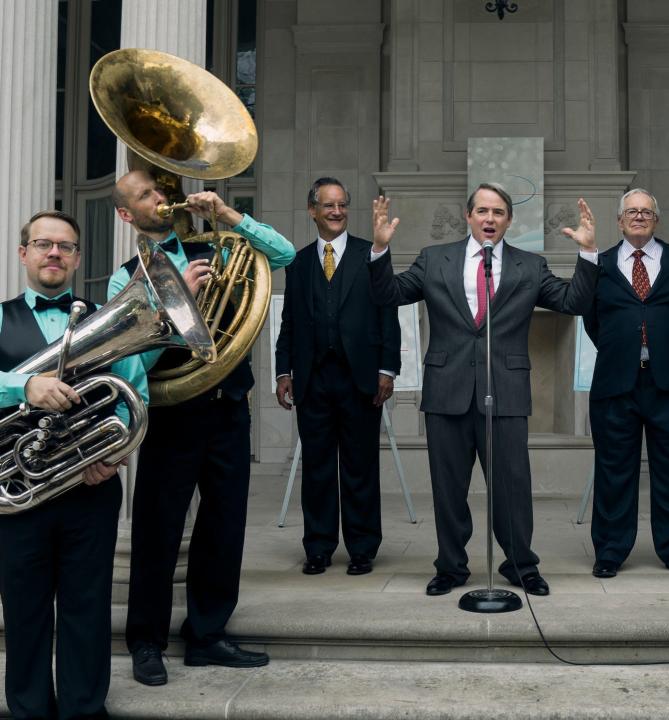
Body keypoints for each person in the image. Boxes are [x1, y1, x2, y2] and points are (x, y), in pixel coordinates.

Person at [110, 170, 295, 686]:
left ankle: (207, 635)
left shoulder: (216, 246)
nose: (159, 198)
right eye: (146, 195)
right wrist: (173, 306)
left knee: (223, 527)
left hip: (228, 406)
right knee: (157, 529)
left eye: (159, 190)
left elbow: (284, 256)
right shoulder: (125, 275)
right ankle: (146, 640)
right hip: (171, 414)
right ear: (127, 215)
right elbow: (125, 359)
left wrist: (229, 215)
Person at [368, 183, 598, 597]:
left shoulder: (530, 265)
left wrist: (588, 254)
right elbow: (388, 294)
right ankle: (451, 567)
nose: (489, 219)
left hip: (505, 390)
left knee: (512, 485)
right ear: (468, 215)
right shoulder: (434, 259)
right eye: (482, 211)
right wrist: (381, 251)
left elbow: (574, 302)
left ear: (509, 220)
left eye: (498, 212)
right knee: (448, 487)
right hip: (447, 389)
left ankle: (521, 565)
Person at [0, 210, 148, 719]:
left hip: (90, 487)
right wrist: (25, 386)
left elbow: (133, 393)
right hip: (18, 495)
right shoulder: (1, 317)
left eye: (65, 246)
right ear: (24, 254)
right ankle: (28, 709)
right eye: (43, 244)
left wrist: (111, 452)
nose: (54, 254)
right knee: (24, 610)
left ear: (78, 258)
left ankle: (84, 708)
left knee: (87, 607)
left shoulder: (110, 319)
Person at [275, 177, 400, 576]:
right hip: (312, 379)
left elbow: (388, 313)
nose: (336, 212)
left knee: (360, 466)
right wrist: (283, 371)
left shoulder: (372, 254)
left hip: (362, 379)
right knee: (317, 467)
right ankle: (319, 547)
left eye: (343, 205)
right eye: (328, 205)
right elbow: (289, 322)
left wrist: (387, 368)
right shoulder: (298, 263)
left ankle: (362, 548)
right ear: (312, 210)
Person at [585, 188, 669, 581]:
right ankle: (610, 550)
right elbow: (592, 322)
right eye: (631, 212)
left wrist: (661, 345)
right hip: (615, 384)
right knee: (614, 470)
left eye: (646, 212)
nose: (638, 217)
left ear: (656, 219)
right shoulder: (599, 265)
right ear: (619, 221)